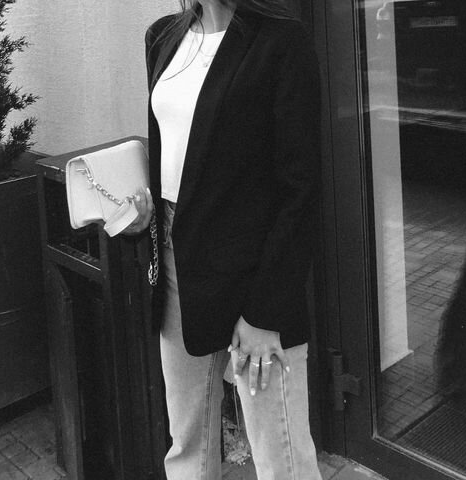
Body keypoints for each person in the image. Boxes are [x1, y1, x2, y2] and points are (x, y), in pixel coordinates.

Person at [124, 0, 322, 478]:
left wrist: (266, 313)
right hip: (176, 258)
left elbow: (301, 190)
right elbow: (175, 150)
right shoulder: (163, 37)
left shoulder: (281, 41)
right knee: (186, 442)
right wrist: (143, 211)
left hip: (256, 272)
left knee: (281, 455)